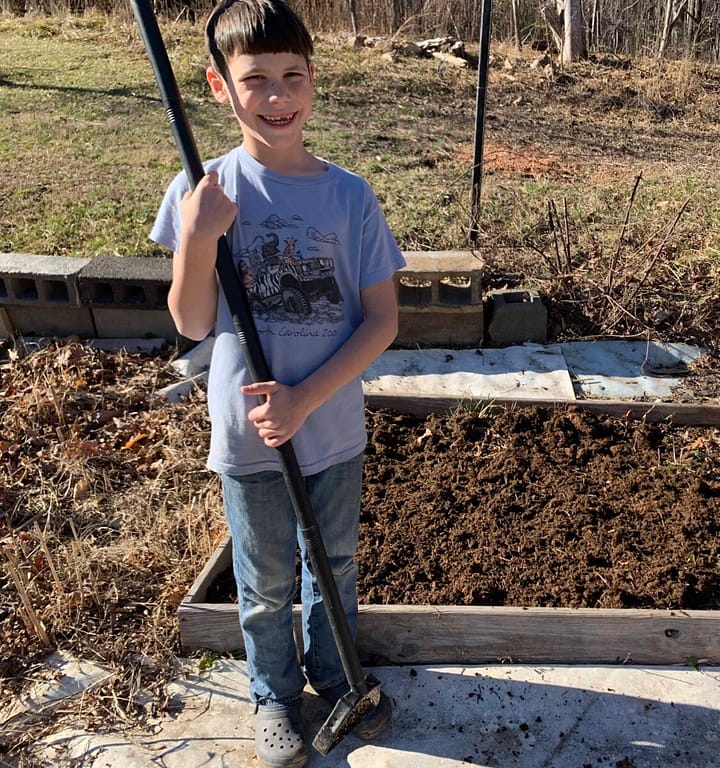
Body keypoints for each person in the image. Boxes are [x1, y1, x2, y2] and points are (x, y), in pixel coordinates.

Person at [150, 0, 405, 764]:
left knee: (335, 566)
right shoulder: (203, 190)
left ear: (313, 81)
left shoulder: (349, 196)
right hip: (247, 432)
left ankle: (337, 677)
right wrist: (200, 238)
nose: (277, 95)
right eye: (255, 78)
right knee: (263, 581)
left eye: (292, 75)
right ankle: (274, 696)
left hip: (330, 427)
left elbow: (381, 322)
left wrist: (304, 400)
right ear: (219, 87)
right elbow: (192, 321)